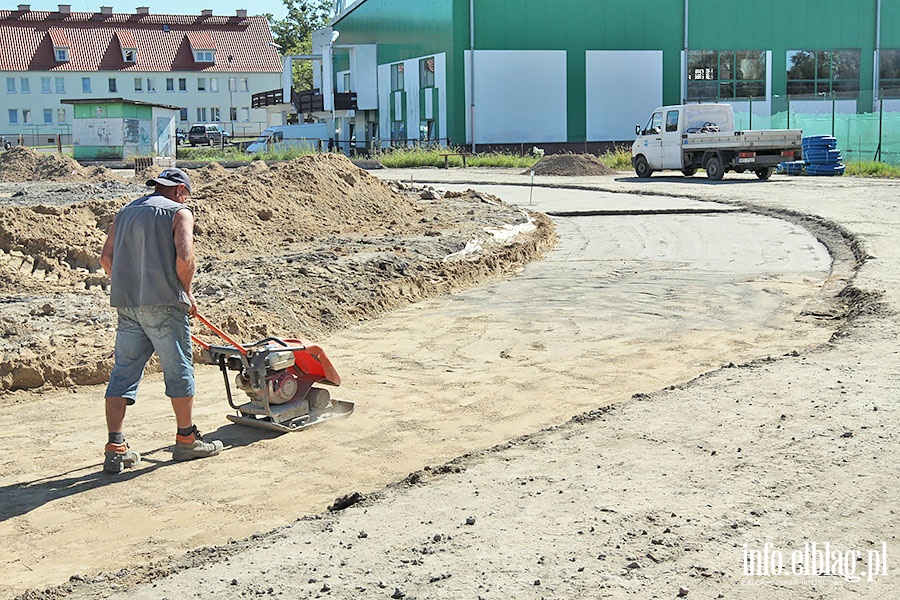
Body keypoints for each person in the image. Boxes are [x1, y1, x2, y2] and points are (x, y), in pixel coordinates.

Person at [99, 167, 222, 473]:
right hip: (165, 304)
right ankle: (186, 440)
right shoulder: (180, 212)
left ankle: (115, 446)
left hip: (128, 305)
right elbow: (185, 257)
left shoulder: (126, 212)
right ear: (180, 190)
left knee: (123, 372)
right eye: (186, 193)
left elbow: (105, 258)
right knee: (179, 370)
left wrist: (129, 284)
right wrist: (186, 293)